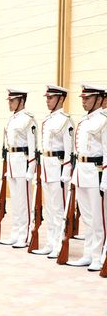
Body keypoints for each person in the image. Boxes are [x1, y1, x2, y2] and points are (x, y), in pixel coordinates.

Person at [66, 84, 107, 271]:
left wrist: (105, 176)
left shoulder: (104, 120)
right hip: (82, 172)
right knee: (88, 217)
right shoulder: (83, 121)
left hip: (96, 171)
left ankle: (99, 257)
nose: (84, 101)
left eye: (87, 98)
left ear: (99, 99)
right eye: (82, 98)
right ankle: (88, 253)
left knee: (99, 218)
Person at [31, 85, 73, 258]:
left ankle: (59, 244)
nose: (47, 100)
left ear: (61, 99)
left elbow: (69, 149)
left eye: (51, 98)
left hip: (58, 167)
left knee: (58, 208)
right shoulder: (47, 120)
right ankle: (51, 242)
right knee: (48, 208)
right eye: (47, 98)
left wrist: (67, 170)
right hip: (47, 167)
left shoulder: (65, 120)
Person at [0, 89, 37, 248]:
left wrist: (31, 168)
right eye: (9, 100)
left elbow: (33, 146)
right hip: (12, 162)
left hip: (23, 162)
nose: (9, 103)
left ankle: (25, 235)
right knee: (15, 201)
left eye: (12, 101)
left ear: (21, 101)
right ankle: (15, 233)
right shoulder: (11, 119)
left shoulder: (29, 120)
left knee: (24, 201)